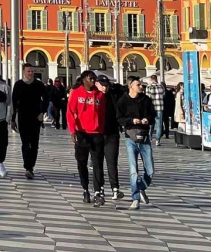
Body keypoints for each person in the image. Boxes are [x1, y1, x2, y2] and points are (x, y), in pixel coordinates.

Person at [113, 77, 156, 210]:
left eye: (141, 85)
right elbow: (119, 119)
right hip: (130, 137)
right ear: (130, 86)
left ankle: (141, 187)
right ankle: (135, 198)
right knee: (134, 171)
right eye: (138, 85)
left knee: (150, 170)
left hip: (144, 138)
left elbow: (153, 115)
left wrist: (146, 120)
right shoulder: (123, 101)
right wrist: (132, 121)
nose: (141, 87)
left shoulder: (146, 100)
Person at [67, 70, 106, 205]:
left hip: (96, 133)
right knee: (81, 163)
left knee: (97, 163)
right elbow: (70, 112)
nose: (93, 80)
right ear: (84, 79)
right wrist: (72, 131)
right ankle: (85, 189)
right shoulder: (76, 93)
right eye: (90, 78)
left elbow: (102, 113)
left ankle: (98, 192)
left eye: (94, 78)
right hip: (81, 133)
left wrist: (101, 129)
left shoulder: (100, 95)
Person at [11, 65, 47, 179]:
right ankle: (28, 167)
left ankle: (31, 166)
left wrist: (42, 111)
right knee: (25, 143)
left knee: (34, 144)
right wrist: (12, 119)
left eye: (32, 71)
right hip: (23, 117)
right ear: (23, 72)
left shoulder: (38, 84)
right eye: (28, 71)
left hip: (36, 118)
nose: (30, 73)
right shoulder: (18, 85)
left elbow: (46, 97)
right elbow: (14, 102)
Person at [94, 76, 122, 201]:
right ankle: (99, 188)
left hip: (112, 133)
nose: (104, 87)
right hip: (96, 134)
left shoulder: (113, 96)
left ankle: (115, 187)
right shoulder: (93, 96)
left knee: (112, 161)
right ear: (96, 84)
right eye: (102, 84)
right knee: (97, 162)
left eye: (106, 85)